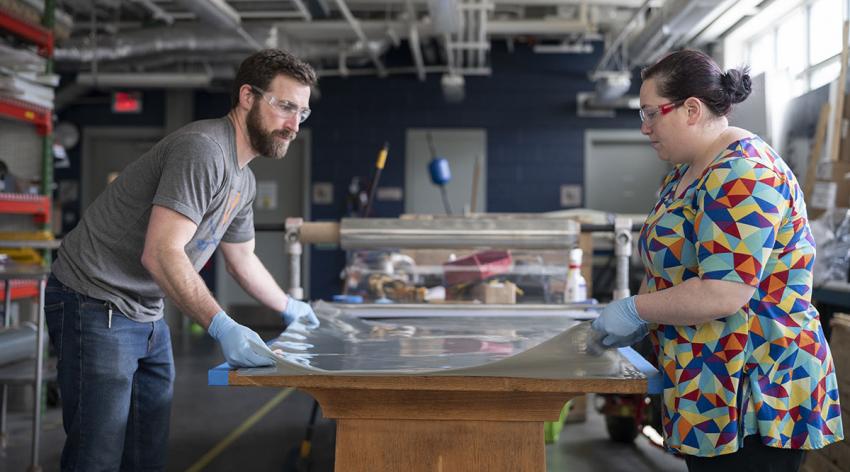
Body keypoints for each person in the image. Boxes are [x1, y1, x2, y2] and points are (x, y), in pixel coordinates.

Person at [45, 49, 321, 471]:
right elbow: (160, 252)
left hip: (146, 310)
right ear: (247, 96)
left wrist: (288, 307)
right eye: (284, 106)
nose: (293, 125)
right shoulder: (204, 149)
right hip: (93, 300)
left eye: (301, 113)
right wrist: (222, 325)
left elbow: (242, 258)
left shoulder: (243, 180)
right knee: (96, 457)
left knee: (146, 453)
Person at [591, 49, 843, 471]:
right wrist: (642, 328)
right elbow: (667, 265)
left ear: (691, 109)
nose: (644, 127)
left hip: (754, 390)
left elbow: (724, 292)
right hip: (707, 383)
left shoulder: (744, 174)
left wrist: (634, 310)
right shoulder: (684, 173)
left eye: (652, 113)